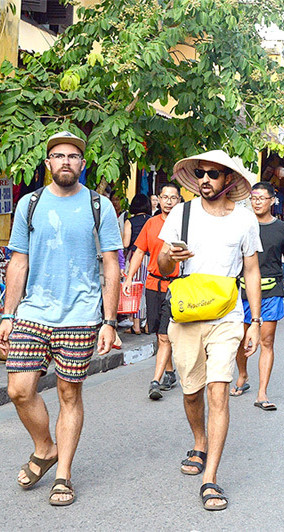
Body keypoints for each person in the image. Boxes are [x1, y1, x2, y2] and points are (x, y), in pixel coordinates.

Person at [0, 131, 122, 506]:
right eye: (58, 155)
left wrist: (109, 321)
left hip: (81, 315)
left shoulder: (99, 206)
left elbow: (111, 264)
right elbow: (18, 260)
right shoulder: (29, 205)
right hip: (33, 311)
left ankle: (64, 474)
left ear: (82, 165)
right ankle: (45, 447)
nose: (66, 161)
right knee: (20, 390)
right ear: (48, 163)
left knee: (70, 393)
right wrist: (7, 313)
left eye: (73, 156)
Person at [158, 150, 262, 511]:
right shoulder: (181, 213)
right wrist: (171, 257)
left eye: (213, 174)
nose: (205, 179)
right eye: (200, 173)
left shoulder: (245, 220)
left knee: (218, 390)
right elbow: (161, 262)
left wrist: (255, 321)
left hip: (227, 313)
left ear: (228, 181)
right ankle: (199, 440)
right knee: (191, 392)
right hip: (186, 312)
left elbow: (251, 270)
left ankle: (210, 477)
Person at [231, 181, 284, 409]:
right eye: (253, 198)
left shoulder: (282, 229)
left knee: (266, 341)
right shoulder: (241, 224)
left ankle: (262, 393)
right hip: (242, 291)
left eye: (262, 198)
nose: (257, 202)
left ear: (272, 200)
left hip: (272, 291)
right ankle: (243, 375)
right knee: (242, 340)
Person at [123, 183, 180, 400]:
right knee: (158, 332)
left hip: (175, 286)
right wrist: (129, 278)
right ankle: (170, 372)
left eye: (172, 198)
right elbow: (138, 252)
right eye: (164, 197)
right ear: (159, 199)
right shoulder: (151, 224)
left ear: (178, 201)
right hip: (152, 284)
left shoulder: (184, 226)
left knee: (164, 335)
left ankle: (155, 381)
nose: (168, 201)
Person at [122, 193, 151, 335]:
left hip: (135, 257)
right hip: (151, 258)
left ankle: (136, 325)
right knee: (148, 289)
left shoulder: (130, 222)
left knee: (135, 289)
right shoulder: (153, 221)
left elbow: (126, 243)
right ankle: (148, 324)